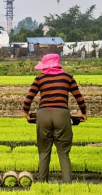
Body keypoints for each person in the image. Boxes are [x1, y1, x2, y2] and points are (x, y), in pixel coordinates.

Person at [23, 54, 88, 183]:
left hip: (43, 115)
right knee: (63, 152)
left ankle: (42, 182)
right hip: (62, 114)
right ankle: (67, 183)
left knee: (44, 151)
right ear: (58, 64)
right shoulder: (68, 78)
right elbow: (79, 97)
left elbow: (29, 98)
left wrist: (25, 112)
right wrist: (84, 112)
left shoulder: (40, 78)